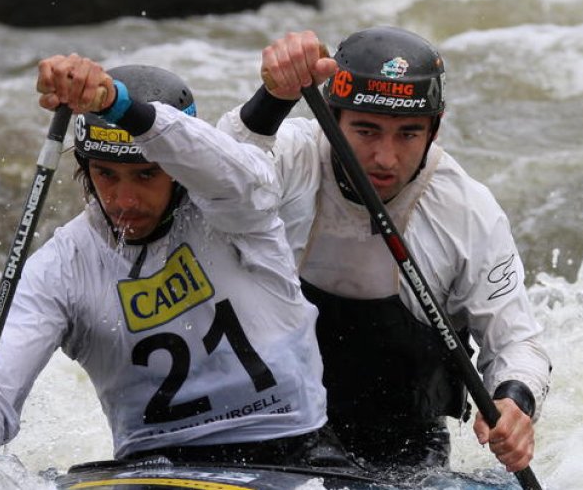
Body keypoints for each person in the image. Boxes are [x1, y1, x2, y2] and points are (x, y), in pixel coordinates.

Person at [0, 54, 350, 478]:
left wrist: (115, 105)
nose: (124, 201)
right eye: (106, 175)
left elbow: (224, 164)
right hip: (151, 469)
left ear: (176, 170)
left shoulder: (234, 210)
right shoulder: (62, 265)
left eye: (146, 176)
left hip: (293, 453)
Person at [217, 27, 551, 475]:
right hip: (264, 428)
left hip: (401, 451)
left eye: (408, 134)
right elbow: (212, 177)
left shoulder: (468, 211)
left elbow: (516, 341)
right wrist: (273, 97)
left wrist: (515, 401)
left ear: (435, 128)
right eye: (366, 130)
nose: (385, 159)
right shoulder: (290, 155)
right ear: (331, 118)